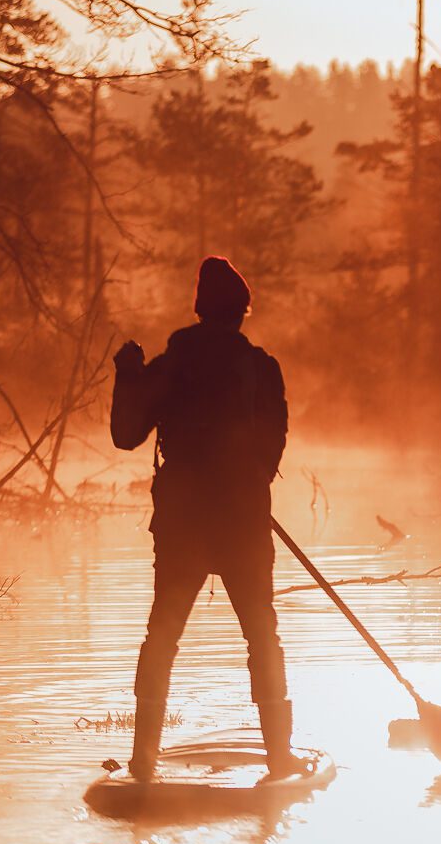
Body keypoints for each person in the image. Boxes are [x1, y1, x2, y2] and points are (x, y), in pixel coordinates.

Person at [110, 256, 301, 781]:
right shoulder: (263, 368)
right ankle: (280, 759)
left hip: (184, 520)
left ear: (199, 310)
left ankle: (143, 762)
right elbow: (272, 446)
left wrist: (127, 372)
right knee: (262, 635)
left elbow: (126, 432)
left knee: (163, 635)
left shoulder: (174, 362)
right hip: (240, 519)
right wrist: (243, 480)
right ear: (242, 312)